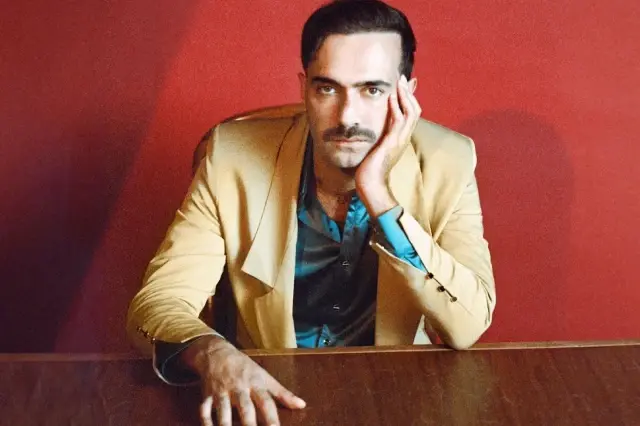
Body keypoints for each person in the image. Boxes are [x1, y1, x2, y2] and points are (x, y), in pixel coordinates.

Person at [127, 1, 496, 425]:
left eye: (372, 90)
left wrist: (378, 196)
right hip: (269, 398)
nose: (347, 116)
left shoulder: (449, 161)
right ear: (304, 88)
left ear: (405, 95)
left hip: (394, 398)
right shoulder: (231, 157)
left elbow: (467, 325)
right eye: (328, 88)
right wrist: (212, 353)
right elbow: (156, 304)